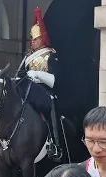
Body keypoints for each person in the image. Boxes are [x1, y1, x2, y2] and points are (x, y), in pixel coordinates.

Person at [15, 7, 62, 160]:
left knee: (48, 112)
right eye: (31, 39)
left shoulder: (50, 55)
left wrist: (37, 74)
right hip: (28, 91)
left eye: (35, 39)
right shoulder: (28, 56)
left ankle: (54, 144)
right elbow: (20, 74)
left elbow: (55, 80)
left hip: (44, 92)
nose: (32, 42)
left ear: (42, 38)